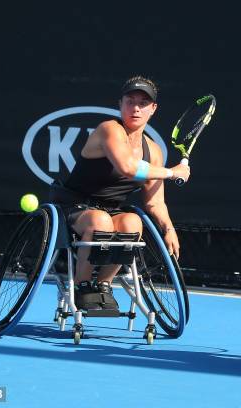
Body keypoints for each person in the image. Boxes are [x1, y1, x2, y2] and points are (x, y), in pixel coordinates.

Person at [50, 75, 190, 311]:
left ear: (153, 109)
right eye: (130, 101)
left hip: (111, 209)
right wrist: (171, 172)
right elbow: (127, 167)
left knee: (133, 224)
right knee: (100, 220)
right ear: (120, 104)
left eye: (143, 103)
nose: (135, 108)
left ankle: (103, 285)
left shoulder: (153, 151)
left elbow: (155, 202)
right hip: (74, 205)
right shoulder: (109, 130)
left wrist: (169, 228)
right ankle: (83, 284)